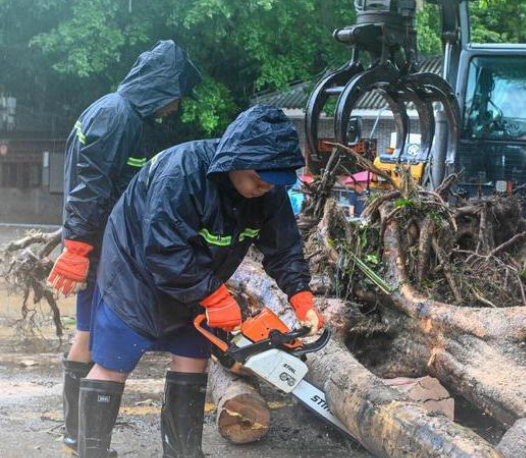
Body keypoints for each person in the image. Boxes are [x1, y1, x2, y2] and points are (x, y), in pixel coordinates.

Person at [77, 106, 322, 458]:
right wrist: (213, 296)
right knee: (114, 361)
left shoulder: (268, 193)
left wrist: (301, 296)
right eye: (259, 177)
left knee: (192, 356)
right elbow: (162, 248)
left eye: (273, 181)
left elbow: (284, 247)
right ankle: (92, 453)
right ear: (236, 160)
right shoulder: (182, 173)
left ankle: (182, 452)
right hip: (136, 269)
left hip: (200, 275)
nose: (264, 186)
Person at [46, 40, 200, 456]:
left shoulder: (116, 110)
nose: (175, 109)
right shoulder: (118, 117)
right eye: (176, 98)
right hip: (99, 246)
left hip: (95, 240)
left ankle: (77, 437)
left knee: (86, 331)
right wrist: (77, 248)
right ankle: (82, 438)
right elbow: (90, 187)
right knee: (91, 334)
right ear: (162, 89)